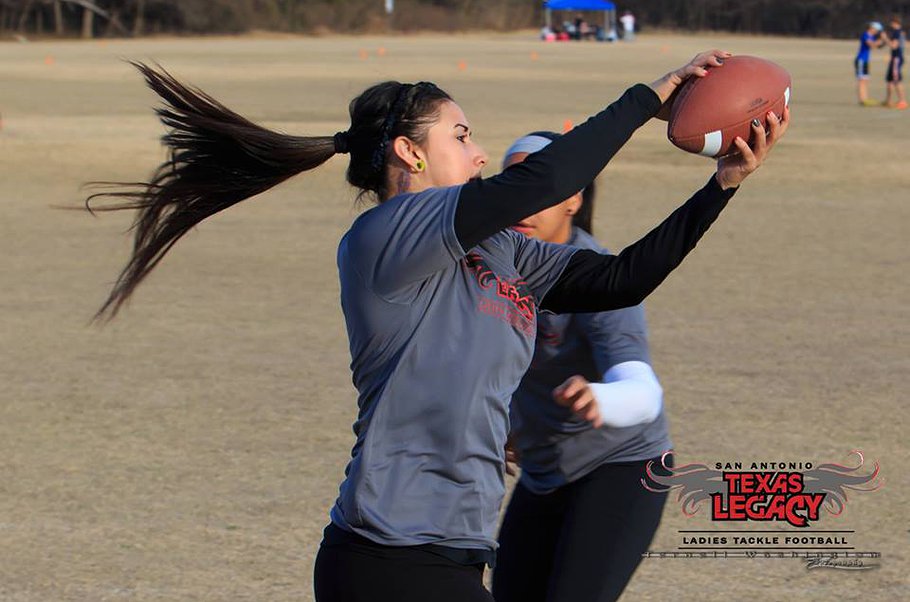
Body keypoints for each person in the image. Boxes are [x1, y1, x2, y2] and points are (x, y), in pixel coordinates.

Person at [86, 51, 788, 601]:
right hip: (389, 559)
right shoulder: (386, 235)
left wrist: (719, 186)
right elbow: (539, 182)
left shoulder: (500, 250)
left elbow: (619, 280)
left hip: (449, 554)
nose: (477, 152)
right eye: (461, 135)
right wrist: (649, 97)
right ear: (408, 153)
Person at [491, 130, 673, 602]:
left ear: (573, 198)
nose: (524, 202)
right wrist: (503, 423)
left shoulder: (597, 276)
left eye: (543, 187)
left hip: (621, 467)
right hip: (545, 469)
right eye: (515, 185)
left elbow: (643, 393)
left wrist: (602, 398)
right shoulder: (489, 269)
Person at [856, 21, 885, 106]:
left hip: (866, 60)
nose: (877, 32)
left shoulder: (871, 36)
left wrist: (882, 41)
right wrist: (881, 39)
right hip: (861, 60)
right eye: (877, 30)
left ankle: (866, 98)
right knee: (862, 80)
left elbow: (877, 46)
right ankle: (862, 100)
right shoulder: (866, 35)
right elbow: (872, 45)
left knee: (865, 80)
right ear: (872, 28)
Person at [883, 16, 907, 109]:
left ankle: (902, 101)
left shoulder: (897, 32)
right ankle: (888, 101)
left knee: (896, 80)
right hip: (895, 58)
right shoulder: (901, 32)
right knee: (890, 80)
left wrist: (885, 39)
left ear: (894, 22)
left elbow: (894, 46)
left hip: (897, 58)